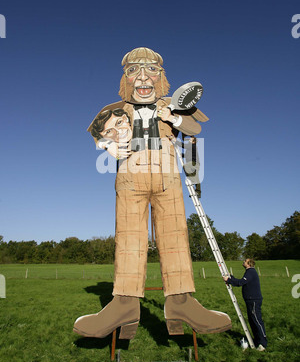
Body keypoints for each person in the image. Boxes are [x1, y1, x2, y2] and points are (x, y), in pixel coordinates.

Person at [73, 47, 232, 340]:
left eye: (151, 70)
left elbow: (195, 127)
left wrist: (173, 118)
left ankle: (181, 303)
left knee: (175, 237)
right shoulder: (115, 108)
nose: (143, 77)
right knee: (129, 240)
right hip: (130, 177)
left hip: (168, 176)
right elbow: (97, 131)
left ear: (161, 77)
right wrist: (107, 145)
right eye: (134, 71)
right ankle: (124, 304)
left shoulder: (174, 103)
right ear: (125, 79)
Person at [223, 258, 267, 351]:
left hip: (254, 300)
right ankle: (257, 340)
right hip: (250, 300)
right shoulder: (249, 272)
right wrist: (231, 278)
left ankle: (263, 343)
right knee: (252, 321)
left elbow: (240, 283)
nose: (243, 262)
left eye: (245, 261)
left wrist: (229, 280)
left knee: (257, 321)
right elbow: (241, 281)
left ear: (249, 264)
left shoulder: (250, 272)